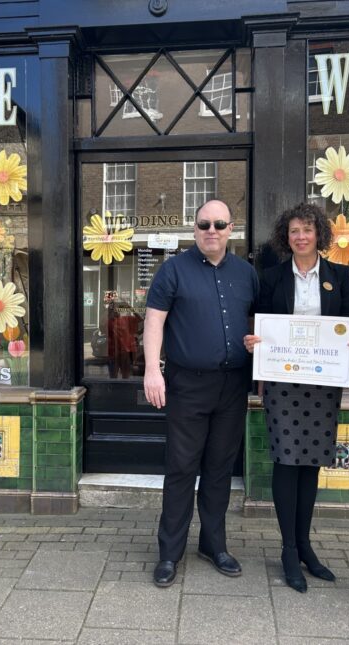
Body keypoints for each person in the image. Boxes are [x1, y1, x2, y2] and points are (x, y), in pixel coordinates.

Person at [243, 202, 349, 593]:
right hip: (282, 382)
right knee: (286, 460)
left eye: (307, 230)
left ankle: (307, 546)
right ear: (286, 236)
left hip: (322, 383)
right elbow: (262, 323)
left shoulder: (340, 276)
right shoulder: (272, 276)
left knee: (311, 463)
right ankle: (289, 550)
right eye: (294, 231)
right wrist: (255, 342)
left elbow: (347, 325)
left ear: (319, 235)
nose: (300, 237)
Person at [144, 199, 259, 588]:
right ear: (194, 229)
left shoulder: (247, 274)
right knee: (180, 468)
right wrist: (151, 370)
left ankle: (214, 545)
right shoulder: (173, 270)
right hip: (187, 384)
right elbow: (154, 323)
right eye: (204, 224)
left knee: (219, 470)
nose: (212, 230)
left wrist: (259, 345)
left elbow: (258, 324)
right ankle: (169, 553)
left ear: (231, 229)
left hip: (232, 385)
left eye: (220, 224)